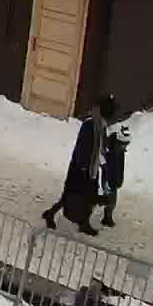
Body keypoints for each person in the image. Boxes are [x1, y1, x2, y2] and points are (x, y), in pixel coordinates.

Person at [42, 96, 117, 236]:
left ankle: (72, 219)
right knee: (72, 195)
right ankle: (61, 217)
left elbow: (100, 147)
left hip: (90, 168)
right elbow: (82, 147)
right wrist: (83, 167)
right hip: (81, 168)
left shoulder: (100, 124)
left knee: (85, 195)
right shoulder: (90, 124)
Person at [100, 124, 130, 229]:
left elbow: (120, 167)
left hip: (114, 179)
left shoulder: (120, 151)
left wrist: (119, 180)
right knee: (110, 200)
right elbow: (105, 165)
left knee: (112, 200)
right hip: (108, 178)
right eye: (124, 144)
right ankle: (106, 218)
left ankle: (107, 217)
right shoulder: (111, 151)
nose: (126, 147)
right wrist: (107, 181)